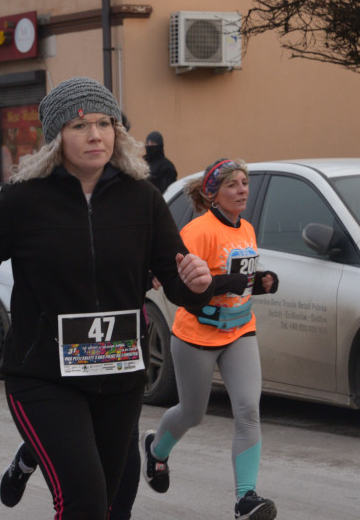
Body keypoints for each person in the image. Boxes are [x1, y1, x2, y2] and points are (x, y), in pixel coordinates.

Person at [0, 76, 214, 519]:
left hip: (120, 375)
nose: (95, 135)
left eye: (105, 123)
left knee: (115, 502)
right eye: (80, 125)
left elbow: (180, 286)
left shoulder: (142, 200)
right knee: (85, 502)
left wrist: (198, 284)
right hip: (43, 377)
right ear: (56, 138)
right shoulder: (24, 201)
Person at [141, 158, 279, 520]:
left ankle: (245, 499)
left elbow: (240, 280)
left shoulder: (246, 228)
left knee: (248, 410)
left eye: (245, 183)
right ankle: (156, 450)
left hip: (240, 331)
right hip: (196, 336)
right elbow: (182, 287)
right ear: (213, 194)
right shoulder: (197, 232)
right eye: (233, 184)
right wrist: (226, 284)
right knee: (193, 413)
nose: (243, 190)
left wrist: (261, 282)